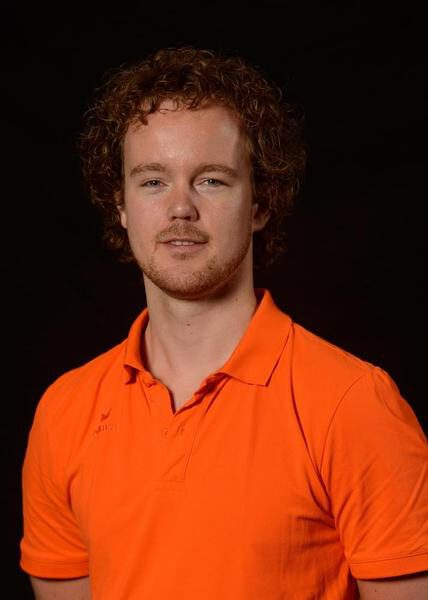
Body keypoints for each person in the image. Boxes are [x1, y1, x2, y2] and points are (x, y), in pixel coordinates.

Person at [20, 46, 427, 600]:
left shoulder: (353, 404)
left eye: (211, 180)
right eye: (152, 181)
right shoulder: (64, 413)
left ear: (260, 203)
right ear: (121, 205)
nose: (180, 208)